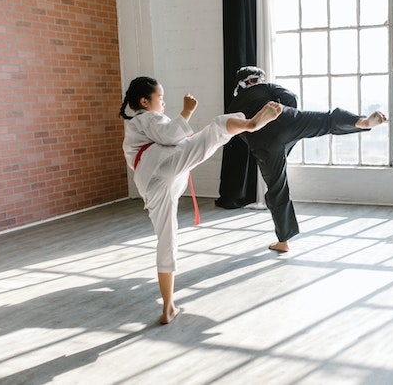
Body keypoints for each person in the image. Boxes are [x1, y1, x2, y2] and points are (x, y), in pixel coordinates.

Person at [120, 76, 282, 324]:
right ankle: (249, 124)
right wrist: (186, 111)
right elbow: (171, 135)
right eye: (160, 99)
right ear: (144, 101)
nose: (163, 104)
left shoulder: (133, 126)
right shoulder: (147, 117)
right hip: (164, 166)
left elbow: (166, 140)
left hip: (150, 184)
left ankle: (168, 307)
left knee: (167, 238)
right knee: (216, 127)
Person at [227, 66, 387, 253]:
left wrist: (262, 146)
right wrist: (290, 120)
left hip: (262, 142)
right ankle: (362, 122)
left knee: (277, 187)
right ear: (254, 80)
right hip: (285, 119)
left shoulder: (233, 105)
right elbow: (291, 98)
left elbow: (238, 131)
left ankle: (283, 241)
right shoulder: (265, 88)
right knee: (327, 120)